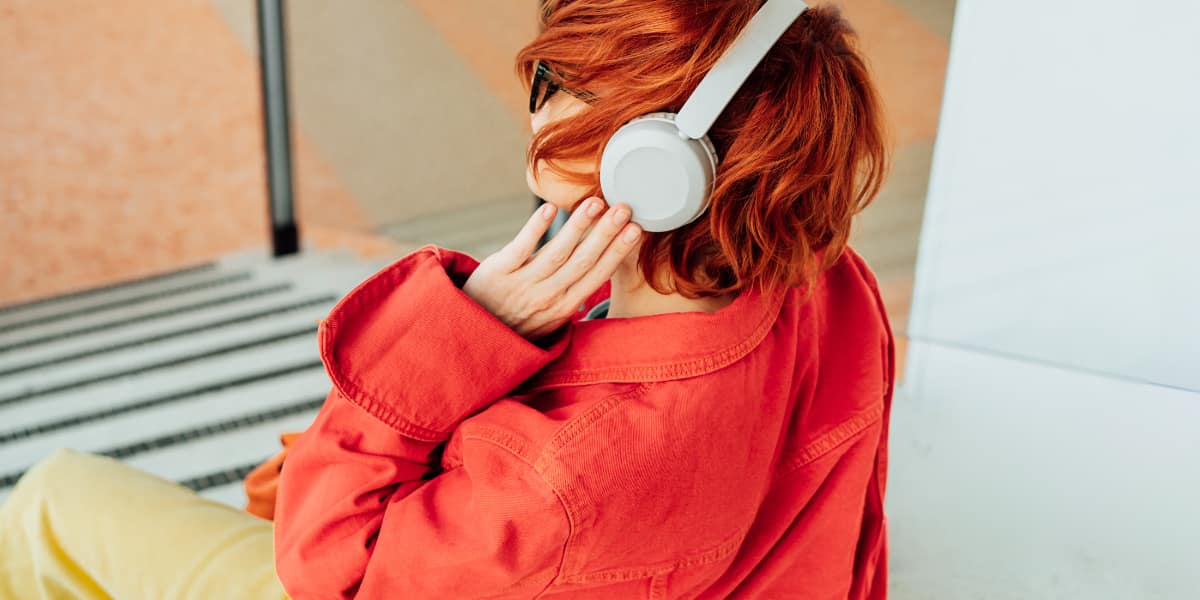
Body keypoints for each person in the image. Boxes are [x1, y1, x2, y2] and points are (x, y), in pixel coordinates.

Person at [0, 1, 893, 598]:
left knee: (53, 500)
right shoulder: (828, 279)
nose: (535, 109)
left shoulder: (557, 482)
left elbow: (329, 572)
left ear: (657, 160)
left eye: (560, 85)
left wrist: (455, 341)